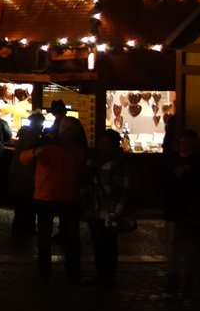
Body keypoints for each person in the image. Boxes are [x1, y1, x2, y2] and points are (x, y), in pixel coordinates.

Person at [21, 117, 88, 283]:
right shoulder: (47, 142)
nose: (65, 130)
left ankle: (73, 274)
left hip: (69, 197)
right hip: (47, 196)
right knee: (45, 238)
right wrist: (34, 153)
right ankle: (45, 273)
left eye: (70, 128)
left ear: (76, 131)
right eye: (64, 126)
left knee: (72, 238)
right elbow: (24, 157)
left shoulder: (79, 149)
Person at [161, 128, 200, 295]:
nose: (185, 146)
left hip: (192, 208)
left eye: (188, 143)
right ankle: (174, 277)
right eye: (182, 142)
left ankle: (188, 278)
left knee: (190, 246)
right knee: (174, 246)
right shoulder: (172, 160)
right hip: (176, 208)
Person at [81, 128, 129, 287]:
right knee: (97, 242)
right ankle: (101, 273)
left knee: (108, 243)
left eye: (106, 143)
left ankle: (108, 275)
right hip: (93, 207)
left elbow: (121, 188)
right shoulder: (92, 158)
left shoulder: (117, 161)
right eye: (100, 142)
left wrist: (115, 211)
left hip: (108, 209)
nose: (102, 145)